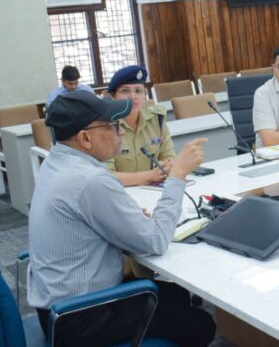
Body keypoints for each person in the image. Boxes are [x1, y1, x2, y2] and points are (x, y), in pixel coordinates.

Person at [28, 90, 215, 346]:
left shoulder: (56, 162)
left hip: (55, 308)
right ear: (84, 138)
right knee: (201, 325)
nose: (122, 132)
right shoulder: (90, 180)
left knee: (176, 294)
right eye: (114, 126)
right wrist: (177, 176)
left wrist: (123, 219)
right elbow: (155, 241)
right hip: (80, 317)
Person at [105, 65, 174, 186]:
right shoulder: (105, 126)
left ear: (145, 95)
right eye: (125, 91)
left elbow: (170, 158)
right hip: (118, 193)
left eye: (138, 91)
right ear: (113, 97)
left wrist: (167, 167)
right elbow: (106, 176)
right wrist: (149, 176)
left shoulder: (156, 120)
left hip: (151, 190)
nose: (133, 97)